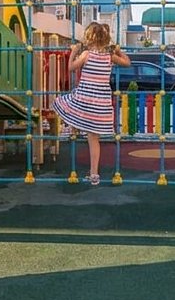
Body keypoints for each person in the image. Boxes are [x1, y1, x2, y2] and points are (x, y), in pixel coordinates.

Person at [52, 22, 130, 185]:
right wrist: (118, 51)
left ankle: (73, 126)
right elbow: (127, 62)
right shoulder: (109, 56)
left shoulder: (86, 54)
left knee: (60, 103)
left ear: (89, 38)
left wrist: (74, 52)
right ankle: (94, 174)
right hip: (100, 102)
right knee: (94, 139)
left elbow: (71, 68)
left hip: (85, 98)